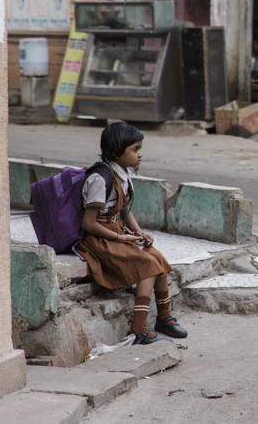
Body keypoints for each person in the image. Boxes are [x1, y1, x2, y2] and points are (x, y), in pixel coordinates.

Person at [76, 123, 188, 345]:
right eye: (135, 149)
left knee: (157, 257)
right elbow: (88, 223)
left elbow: (124, 210)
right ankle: (138, 330)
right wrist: (121, 238)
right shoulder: (100, 179)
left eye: (140, 148)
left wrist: (138, 233)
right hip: (100, 238)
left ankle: (164, 318)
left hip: (116, 231)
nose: (140, 154)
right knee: (147, 266)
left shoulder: (122, 174)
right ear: (117, 151)